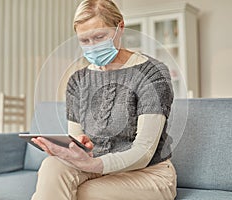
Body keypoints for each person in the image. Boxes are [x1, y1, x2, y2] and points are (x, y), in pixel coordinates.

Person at [31, 0, 177, 199]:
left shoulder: (152, 73)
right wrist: (74, 149)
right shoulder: (77, 81)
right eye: (84, 40)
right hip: (95, 168)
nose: (92, 46)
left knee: (84, 194)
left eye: (100, 37)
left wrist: (93, 164)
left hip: (148, 174)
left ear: (120, 28)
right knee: (52, 165)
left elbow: (144, 151)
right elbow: (77, 141)